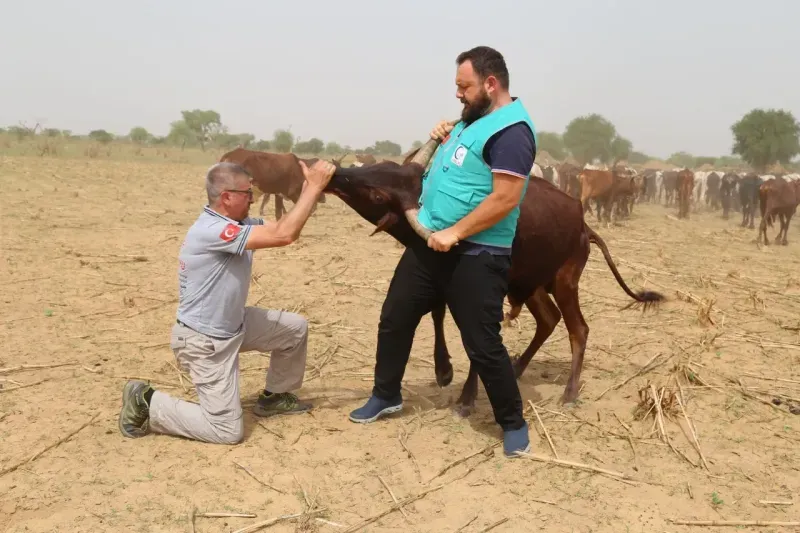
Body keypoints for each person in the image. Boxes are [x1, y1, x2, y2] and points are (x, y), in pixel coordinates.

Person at [348, 46, 537, 457]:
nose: (457, 95)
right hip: (428, 245)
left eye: (463, 86)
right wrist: (442, 137)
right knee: (395, 316)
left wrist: (455, 233)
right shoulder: (472, 122)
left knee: (482, 342)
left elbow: (505, 199)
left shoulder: (512, 133)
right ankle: (386, 394)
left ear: (491, 84)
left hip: (476, 254)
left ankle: (513, 423)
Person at [118, 158, 336, 444]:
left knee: (293, 329)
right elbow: (285, 235)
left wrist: (310, 186)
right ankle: (147, 402)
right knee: (226, 431)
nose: (253, 198)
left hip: (233, 324)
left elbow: (281, 226)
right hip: (205, 342)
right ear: (226, 197)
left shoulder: (237, 222)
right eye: (248, 193)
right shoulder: (213, 230)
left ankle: (275, 397)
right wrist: (313, 188)